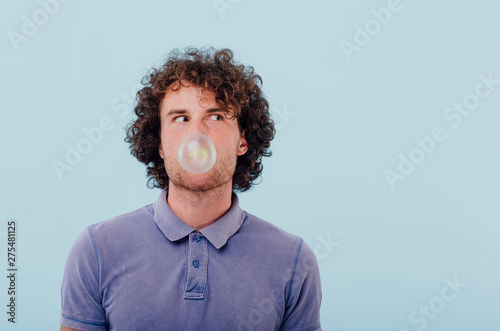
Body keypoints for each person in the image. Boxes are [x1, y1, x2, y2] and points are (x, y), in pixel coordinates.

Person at [60, 47, 322, 331]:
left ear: (242, 142)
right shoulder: (97, 251)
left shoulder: (293, 261)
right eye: (181, 118)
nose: (196, 135)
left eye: (216, 116)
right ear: (159, 143)